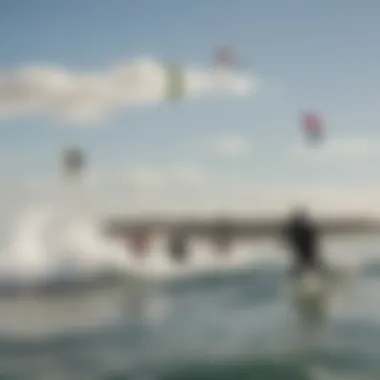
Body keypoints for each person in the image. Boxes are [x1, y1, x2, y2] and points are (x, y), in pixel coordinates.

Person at [282, 208, 326, 278]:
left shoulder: (304, 227)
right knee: (306, 263)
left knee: (308, 263)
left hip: (306, 250)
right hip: (304, 251)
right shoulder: (300, 227)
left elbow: (316, 234)